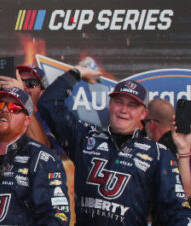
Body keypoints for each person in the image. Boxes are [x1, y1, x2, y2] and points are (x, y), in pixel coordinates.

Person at [38, 67, 191, 224]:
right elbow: (48, 103)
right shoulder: (85, 137)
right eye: (118, 102)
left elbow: (178, 210)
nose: (124, 110)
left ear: (144, 114)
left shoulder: (158, 153)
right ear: (110, 104)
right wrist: (76, 73)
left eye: (132, 105)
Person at [0, 86, 71, 225]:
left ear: (26, 121)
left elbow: (56, 216)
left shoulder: (42, 159)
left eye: (14, 108)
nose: (4, 110)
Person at [0, 63, 63, 155]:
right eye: (20, 81)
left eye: (31, 83)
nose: (24, 86)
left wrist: (22, 96)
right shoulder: (5, 115)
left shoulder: (51, 118)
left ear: (42, 91)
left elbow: (43, 152)